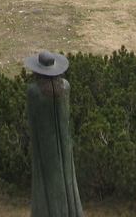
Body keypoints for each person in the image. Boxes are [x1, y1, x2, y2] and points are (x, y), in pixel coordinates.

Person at [25, 50, 84, 217]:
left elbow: (33, 120)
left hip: (44, 147)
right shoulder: (65, 87)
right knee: (68, 180)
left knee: (45, 184)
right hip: (64, 145)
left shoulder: (34, 92)